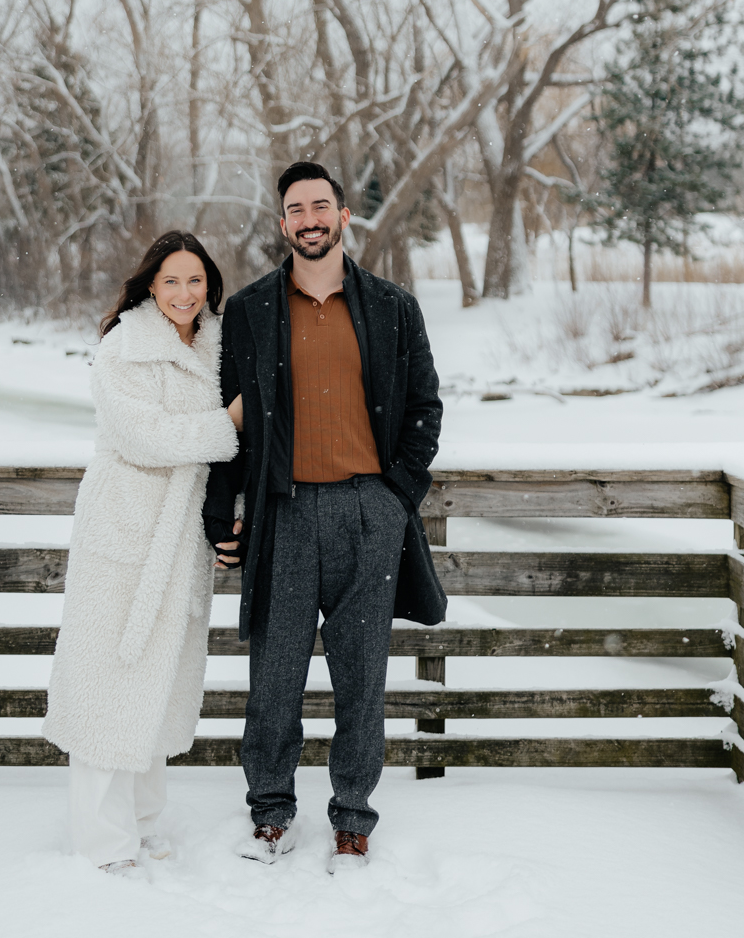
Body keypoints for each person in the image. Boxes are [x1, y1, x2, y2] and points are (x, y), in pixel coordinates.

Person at [203, 163, 445, 873]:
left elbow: (425, 409)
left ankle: (352, 819)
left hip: (370, 515)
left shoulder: (392, 307)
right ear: (283, 224)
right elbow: (227, 427)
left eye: (320, 206)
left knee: (361, 676)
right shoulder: (249, 311)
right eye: (295, 209)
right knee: (273, 674)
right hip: (284, 512)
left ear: (343, 216)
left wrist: (395, 497)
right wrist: (225, 516)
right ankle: (272, 813)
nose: (309, 218)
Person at [44, 231, 242, 876]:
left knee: (159, 682)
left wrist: (228, 518)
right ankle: (102, 841)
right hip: (126, 529)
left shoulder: (220, 345)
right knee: (107, 679)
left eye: (195, 280)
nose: (185, 294)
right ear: (150, 286)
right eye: (171, 281)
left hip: (181, 532)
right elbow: (144, 436)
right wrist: (230, 426)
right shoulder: (122, 348)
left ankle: (143, 822)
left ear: (209, 283)